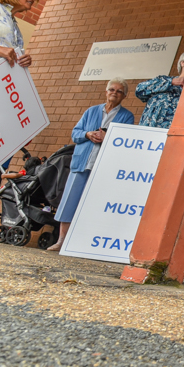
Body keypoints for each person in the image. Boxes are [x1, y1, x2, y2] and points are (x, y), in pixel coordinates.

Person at [48, 78, 135, 251]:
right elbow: (75, 133)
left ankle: (84, 243)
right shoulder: (91, 111)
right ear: (106, 92)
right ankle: (61, 241)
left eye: (119, 91)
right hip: (82, 162)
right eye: (112, 89)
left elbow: (126, 140)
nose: (114, 93)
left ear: (124, 96)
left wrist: (107, 138)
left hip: (104, 168)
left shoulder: (127, 116)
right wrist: (88, 134)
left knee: (94, 204)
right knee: (70, 201)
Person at [135, 48, 184, 128]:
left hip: (176, 134)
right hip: (149, 131)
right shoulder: (163, 80)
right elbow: (140, 90)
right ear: (182, 63)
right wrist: (171, 82)